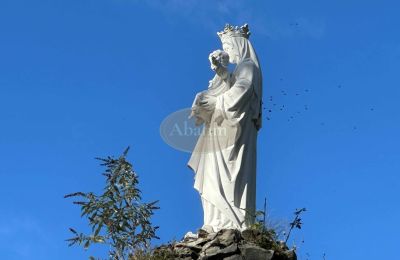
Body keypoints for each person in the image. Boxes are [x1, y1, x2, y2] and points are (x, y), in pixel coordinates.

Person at [188, 24, 263, 232]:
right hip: (222, 128)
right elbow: (231, 84)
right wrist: (221, 72)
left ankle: (233, 221)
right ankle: (214, 221)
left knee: (229, 174)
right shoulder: (240, 69)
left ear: (239, 44)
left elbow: (240, 94)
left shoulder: (248, 66)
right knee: (213, 173)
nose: (228, 52)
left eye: (229, 46)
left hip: (234, 134)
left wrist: (214, 103)